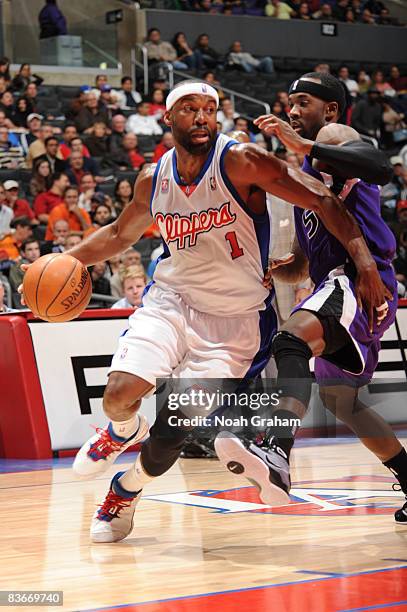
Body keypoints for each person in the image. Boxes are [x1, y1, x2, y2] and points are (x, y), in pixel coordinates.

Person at [23, 79, 386, 544]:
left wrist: (364, 263)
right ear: (168, 117)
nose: (201, 118)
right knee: (119, 394)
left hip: (235, 322)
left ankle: (125, 489)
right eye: (190, 109)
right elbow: (118, 234)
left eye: (209, 109)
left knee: (173, 433)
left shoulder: (241, 160)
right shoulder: (154, 178)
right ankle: (120, 429)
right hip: (172, 301)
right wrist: (68, 260)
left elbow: (324, 200)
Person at [216, 72, 406, 526]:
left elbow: (379, 164)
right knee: (344, 402)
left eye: (303, 102)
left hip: (359, 281)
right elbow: (309, 255)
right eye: (290, 104)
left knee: (290, 343)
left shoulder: (333, 137)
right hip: (338, 282)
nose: (293, 112)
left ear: (331, 111)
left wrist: (306, 147)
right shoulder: (306, 176)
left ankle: (276, 451)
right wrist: (288, 266)